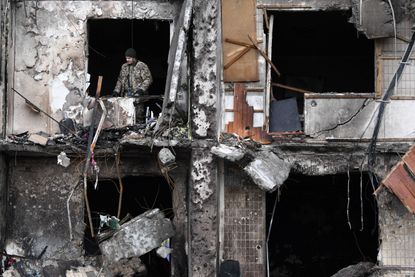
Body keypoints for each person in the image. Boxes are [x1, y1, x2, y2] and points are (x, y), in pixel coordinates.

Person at [113, 48, 152, 123]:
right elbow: (120, 80)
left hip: (138, 96)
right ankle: (127, 133)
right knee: (126, 117)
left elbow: (148, 79)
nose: (127, 59)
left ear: (134, 58)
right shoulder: (124, 67)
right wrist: (116, 91)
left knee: (138, 117)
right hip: (126, 96)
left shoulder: (141, 66)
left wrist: (141, 89)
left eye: (129, 58)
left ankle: (138, 132)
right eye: (126, 58)